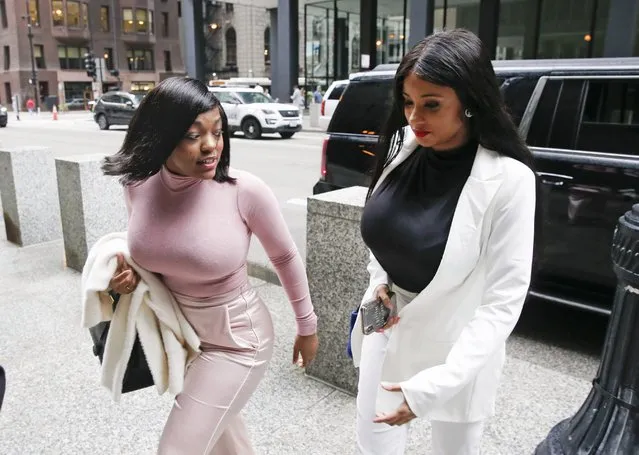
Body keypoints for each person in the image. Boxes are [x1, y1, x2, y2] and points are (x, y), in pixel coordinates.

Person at [101, 77, 319, 454]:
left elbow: (284, 257)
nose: (211, 146)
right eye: (192, 134)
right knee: (225, 444)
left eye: (217, 132)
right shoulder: (137, 184)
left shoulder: (244, 190)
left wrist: (307, 326)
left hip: (238, 341)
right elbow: (156, 251)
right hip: (183, 337)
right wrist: (125, 278)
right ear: (160, 136)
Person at [351, 29, 538, 455]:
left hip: (459, 347)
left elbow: (504, 299)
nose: (415, 117)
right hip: (385, 321)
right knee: (372, 442)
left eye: (431, 105)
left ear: (470, 101)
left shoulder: (509, 180)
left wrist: (436, 385)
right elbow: (383, 230)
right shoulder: (402, 146)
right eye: (408, 102)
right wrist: (380, 275)